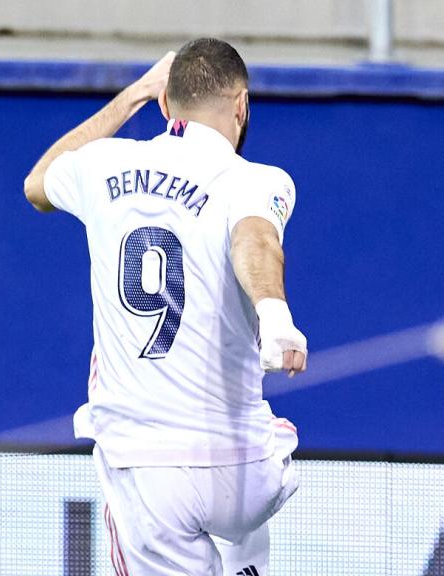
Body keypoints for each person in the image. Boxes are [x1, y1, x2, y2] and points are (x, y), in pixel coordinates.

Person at [23, 38, 307, 576]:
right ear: (242, 104)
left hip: (147, 471)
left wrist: (131, 94)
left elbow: (36, 184)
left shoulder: (103, 164)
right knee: (264, 452)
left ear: (163, 103)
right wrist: (275, 315)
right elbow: (255, 238)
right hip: (245, 471)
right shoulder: (259, 180)